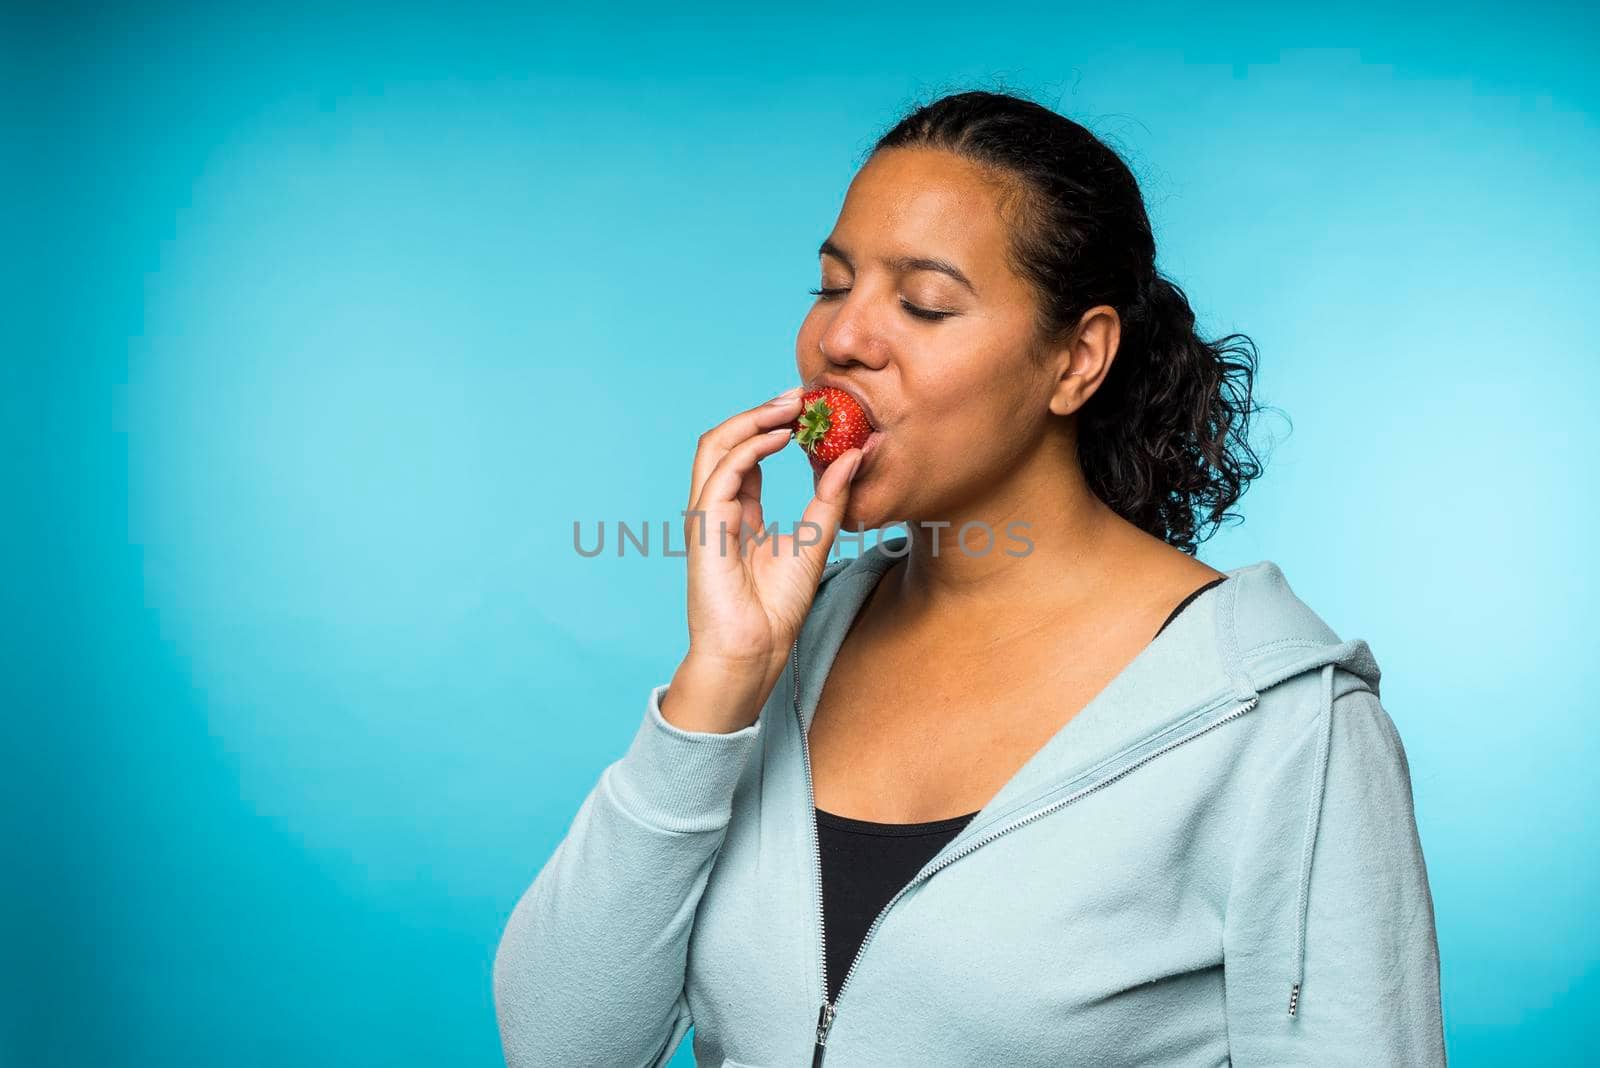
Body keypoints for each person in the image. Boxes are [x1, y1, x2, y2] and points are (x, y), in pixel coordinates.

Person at [492, 89, 1446, 1067]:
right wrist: (718, 686)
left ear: (1075, 362)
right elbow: (562, 1049)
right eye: (831, 287)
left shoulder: (1282, 725)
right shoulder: (787, 651)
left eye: (924, 303)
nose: (841, 340)